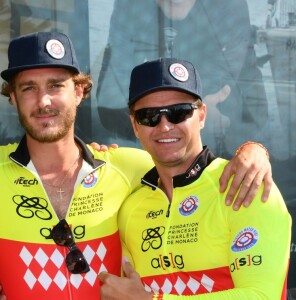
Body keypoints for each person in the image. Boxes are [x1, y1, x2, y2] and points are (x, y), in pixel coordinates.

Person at [0, 32, 271, 300]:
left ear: (79, 91)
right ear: (12, 96)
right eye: (28, 88)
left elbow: (185, 163)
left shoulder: (128, 166)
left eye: (56, 85)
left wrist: (254, 151)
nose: (43, 101)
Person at [99, 58, 291, 299]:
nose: (164, 126)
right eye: (148, 116)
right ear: (135, 126)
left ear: (201, 116)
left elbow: (262, 295)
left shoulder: (246, 184)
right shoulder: (129, 208)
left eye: (179, 113)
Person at [96, 0, 268, 156]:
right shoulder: (130, 7)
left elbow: (228, 84)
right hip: (143, 152)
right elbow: (110, 101)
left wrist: (255, 150)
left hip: (223, 143)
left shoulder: (228, 7)